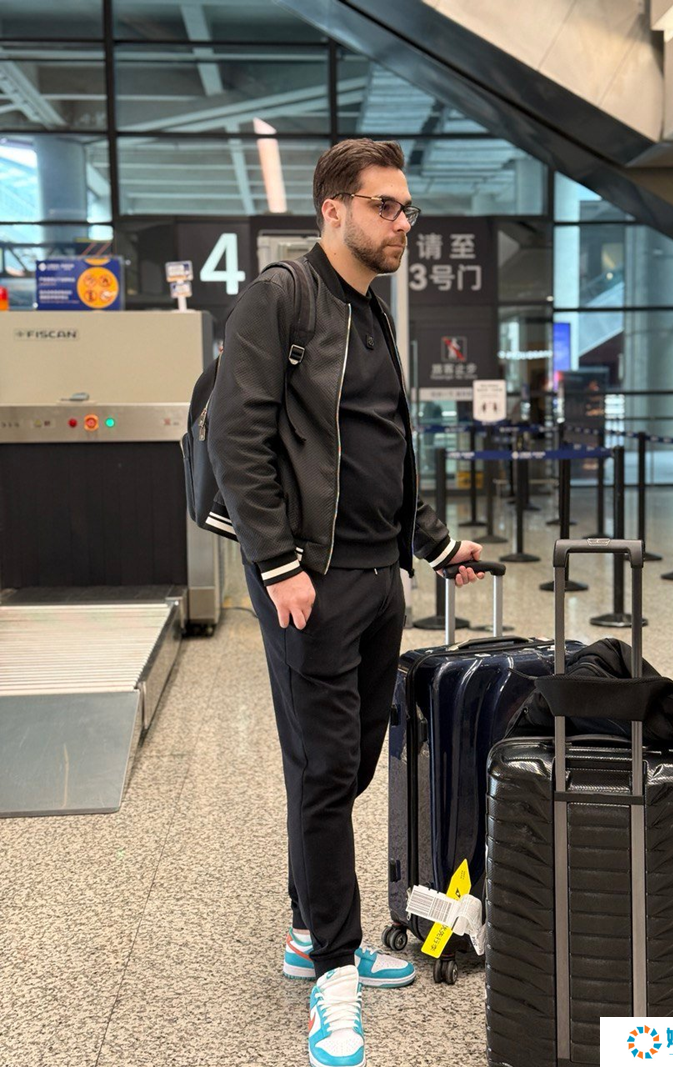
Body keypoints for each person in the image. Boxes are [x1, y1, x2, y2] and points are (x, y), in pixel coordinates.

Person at [207, 138, 483, 1067]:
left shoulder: (374, 312)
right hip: (310, 582)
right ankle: (332, 967)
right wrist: (278, 561)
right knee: (326, 769)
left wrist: (434, 541)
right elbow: (234, 435)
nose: (403, 222)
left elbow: (383, 446)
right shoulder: (281, 296)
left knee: (351, 761)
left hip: (377, 577)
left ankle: (308, 924)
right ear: (334, 208)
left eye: (408, 208)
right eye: (384, 206)